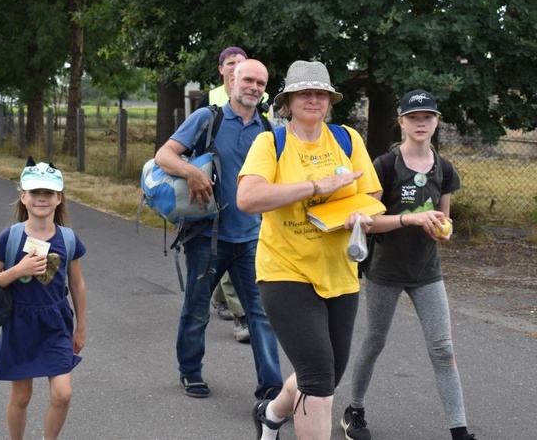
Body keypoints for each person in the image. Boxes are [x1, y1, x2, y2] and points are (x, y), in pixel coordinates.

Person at [237, 60, 381, 439]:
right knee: (318, 379)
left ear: (329, 100)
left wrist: (357, 214)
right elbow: (248, 197)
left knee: (326, 375)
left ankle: (271, 413)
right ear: (288, 101)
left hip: (341, 271)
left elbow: (372, 193)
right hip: (285, 271)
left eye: (320, 93)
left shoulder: (347, 138)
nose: (313, 99)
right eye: (305, 93)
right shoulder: (271, 142)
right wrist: (316, 187)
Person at [341, 90, 476, 440]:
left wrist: (444, 230)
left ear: (436, 123)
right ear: (401, 122)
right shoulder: (385, 166)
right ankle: (354, 410)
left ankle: (459, 430)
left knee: (443, 348)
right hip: (385, 271)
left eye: (427, 117)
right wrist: (409, 220)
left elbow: (444, 220)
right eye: (413, 117)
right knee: (374, 342)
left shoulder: (445, 169)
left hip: (427, 273)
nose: (421, 123)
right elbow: (368, 221)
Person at [155, 58, 283, 400]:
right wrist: (192, 173)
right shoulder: (206, 118)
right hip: (207, 237)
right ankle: (190, 371)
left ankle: (271, 386)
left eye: (261, 82)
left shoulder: (268, 131)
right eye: (248, 80)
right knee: (196, 309)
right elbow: (163, 156)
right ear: (232, 81)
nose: (254, 87)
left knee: (262, 315)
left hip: (252, 239)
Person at [0, 158, 87, 440]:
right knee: (21, 396)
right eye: (34, 193)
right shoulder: (10, 236)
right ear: (23, 197)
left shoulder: (68, 238)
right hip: (20, 324)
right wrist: (18, 271)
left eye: (48, 193)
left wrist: (80, 328)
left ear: (59, 198)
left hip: (56, 323)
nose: (41, 198)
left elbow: (77, 284)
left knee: (63, 394)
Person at [198, 45, 251, 343]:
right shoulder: (211, 101)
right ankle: (243, 317)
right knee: (229, 243)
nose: (235, 68)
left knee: (228, 256)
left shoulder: (261, 101)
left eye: (241, 63)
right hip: (219, 188)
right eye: (230, 63)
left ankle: (218, 296)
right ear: (221, 69)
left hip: (250, 187)